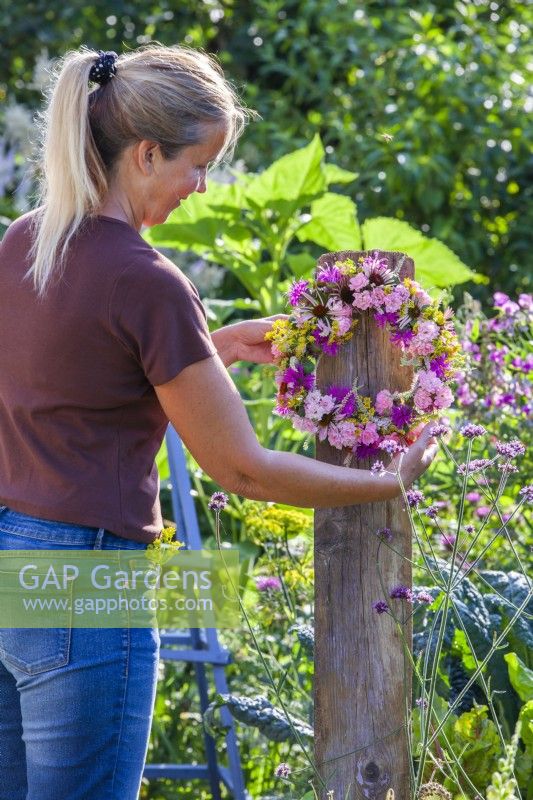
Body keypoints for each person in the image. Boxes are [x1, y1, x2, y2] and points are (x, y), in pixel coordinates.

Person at [0, 45, 438, 800]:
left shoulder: (25, 241)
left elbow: (70, 389)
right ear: (144, 153)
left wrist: (216, 347)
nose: (199, 189)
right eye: (196, 165)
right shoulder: (148, 282)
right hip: (87, 578)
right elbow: (239, 470)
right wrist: (385, 483)